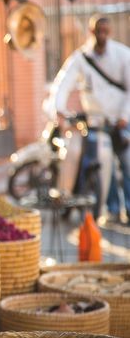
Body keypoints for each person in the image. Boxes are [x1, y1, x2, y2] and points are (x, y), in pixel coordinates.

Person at [48, 14, 130, 223]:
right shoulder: (81, 58)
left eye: (105, 31)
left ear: (109, 33)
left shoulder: (122, 55)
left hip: (121, 121)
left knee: (127, 163)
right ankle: (111, 209)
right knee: (104, 164)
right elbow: (63, 84)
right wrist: (59, 109)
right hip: (96, 122)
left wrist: (124, 116)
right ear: (91, 32)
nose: (101, 35)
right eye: (97, 31)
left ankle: (128, 209)